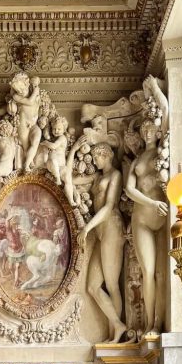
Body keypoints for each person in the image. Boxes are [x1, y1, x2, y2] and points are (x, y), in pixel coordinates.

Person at [125, 119, 169, 336]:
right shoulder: (137, 160)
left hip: (164, 216)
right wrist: (152, 203)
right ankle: (150, 325)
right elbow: (129, 190)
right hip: (142, 217)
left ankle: (158, 324)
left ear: (158, 130)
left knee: (161, 274)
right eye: (144, 128)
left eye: (151, 127)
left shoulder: (163, 152)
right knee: (147, 272)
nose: (147, 131)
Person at [80, 143, 126, 343]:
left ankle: (115, 334)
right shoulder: (97, 177)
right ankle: (117, 325)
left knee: (112, 284)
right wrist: (74, 150)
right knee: (92, 286)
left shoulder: (115, 175)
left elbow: (108, 207)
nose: (94, 160)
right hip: (101, 232)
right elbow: (70, 179)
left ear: (106, 155)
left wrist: (87, 227)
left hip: (112, 227)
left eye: (96, 156)